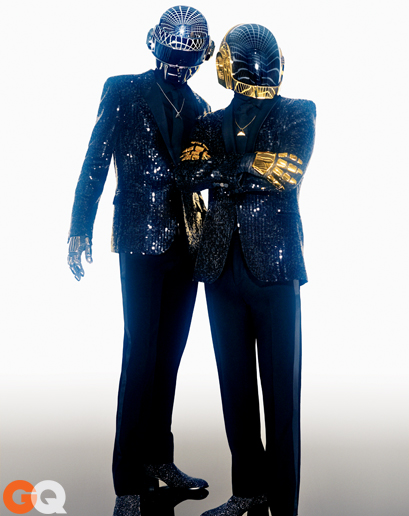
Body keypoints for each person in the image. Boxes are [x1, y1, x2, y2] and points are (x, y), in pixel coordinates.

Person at [67, 6, 214, 516]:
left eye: (189, 59)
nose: (180, 66)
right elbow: (95, 160)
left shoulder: (201, 107)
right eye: (173, 55)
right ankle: (128, 481)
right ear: (155, 45)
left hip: (187, 244)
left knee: (169, 358)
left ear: (201, 58)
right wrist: (79, 227)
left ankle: (159, 460)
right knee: (141, 356)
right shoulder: (123, 90)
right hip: (138, 237)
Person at [176, 23, 316, 516]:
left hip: (275, 269)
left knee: (281, 398)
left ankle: (284, 506)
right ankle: (248, 491)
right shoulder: (209, 122)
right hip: (220, 268)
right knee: (235, 391)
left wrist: (224, 168)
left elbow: (288, 173)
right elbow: (188, 174)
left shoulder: (299, 111)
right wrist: (251, 165)